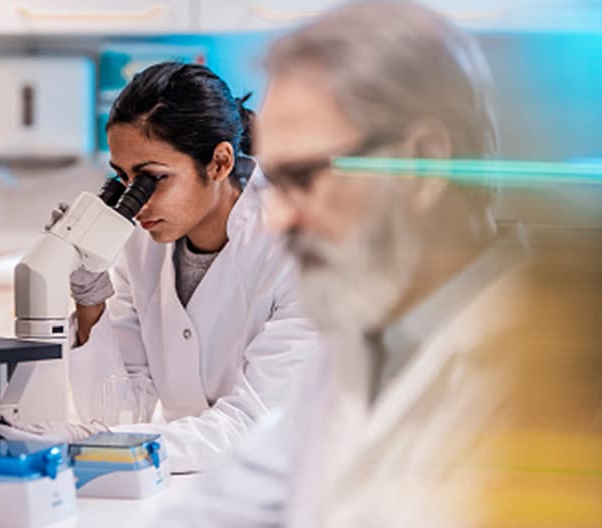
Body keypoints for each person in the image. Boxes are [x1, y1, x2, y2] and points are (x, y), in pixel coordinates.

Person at [150, 0, 602, 525]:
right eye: (272, 183)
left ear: (424, 161)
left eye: (302, 178)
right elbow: (224, 510)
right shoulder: (354, 354)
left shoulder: (562, 374)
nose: (276, 219)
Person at [0, 62, 319, 473]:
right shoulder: (140, 244)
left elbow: (251, 425)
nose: (138, 202)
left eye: (153, 179)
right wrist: (91, 298)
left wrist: (98, 442)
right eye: (123, 180)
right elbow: (118, 412)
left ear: (219, 163)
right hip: (190, 477)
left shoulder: (301, 249)